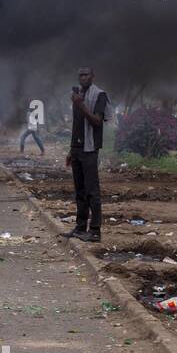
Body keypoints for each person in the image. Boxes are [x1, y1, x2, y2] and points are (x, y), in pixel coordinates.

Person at [66, 67, 108, 243]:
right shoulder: (78, 95)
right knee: (80, 191)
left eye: (86, 75)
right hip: (77, 148)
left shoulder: (99, 95)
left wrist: (81, 105)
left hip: (90, 149)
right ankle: (80, 227)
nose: (83, 78)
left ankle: (96, 231)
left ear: (93, 76)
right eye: (80, 75)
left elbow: (97, 121)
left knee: (92, 191)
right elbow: (77, 124)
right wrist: (71, 149)